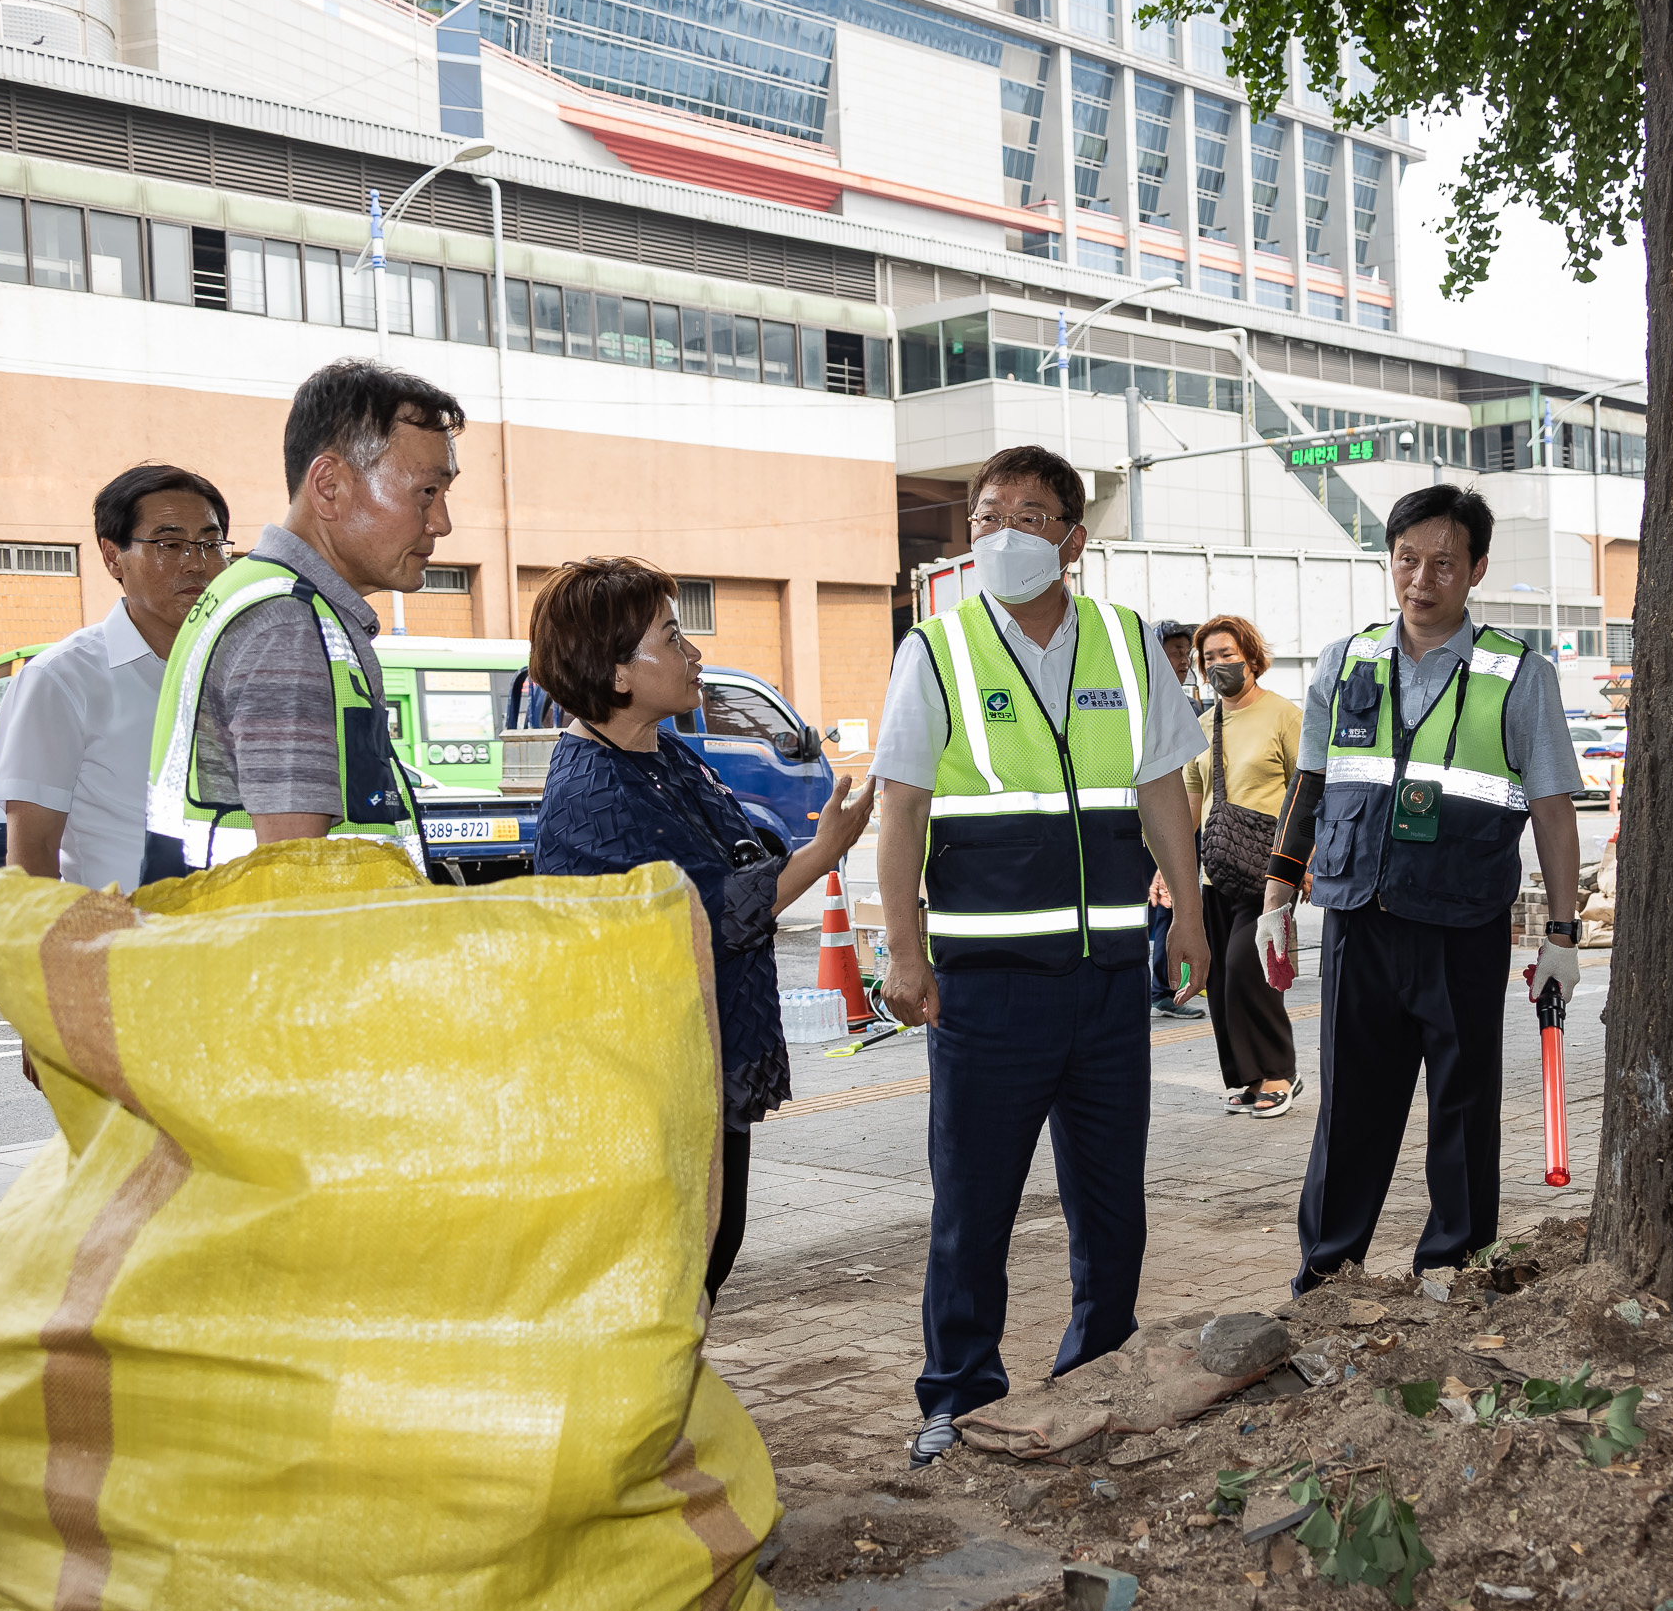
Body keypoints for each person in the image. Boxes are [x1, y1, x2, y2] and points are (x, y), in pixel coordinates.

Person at [873, 444, 1210, 1468]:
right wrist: (902, 949)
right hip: (984, 987)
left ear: (1072, 536)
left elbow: (1163, 792)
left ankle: (1099, 1370)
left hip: (1109, 976)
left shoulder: (1121, 640)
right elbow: (902, 806)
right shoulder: (938, 648)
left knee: (1111, 1200)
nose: (1002, 531)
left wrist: (1189, 917)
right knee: (973, 1202)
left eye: (1027, 513)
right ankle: (958, 1393)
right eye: (984, 515)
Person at [1257, 487, 1583, 1293]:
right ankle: (1328, 1273)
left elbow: (1551, 805)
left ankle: (1454, 1263)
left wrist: (1564, 934)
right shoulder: (1347, 659)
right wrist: (1276, 894)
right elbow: (1311, 785)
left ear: (1475, 569)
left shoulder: (1519, 673)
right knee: (1350, 1110)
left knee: (1463, 1105)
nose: (1422, 578)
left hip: (1463, 920)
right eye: (1407, 558)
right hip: (1359, 916)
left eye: (1444, 562)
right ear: (1389, 561)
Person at [528, 557, 875, 1302]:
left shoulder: (663, 755)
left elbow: (738, 863)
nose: (695, 654)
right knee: (668, 1277)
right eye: (672, 637)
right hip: (650, 1080)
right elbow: (712, 908)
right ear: (617, 672)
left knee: (706, 1256)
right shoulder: (596, 794)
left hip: (706, 1059)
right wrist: (823, 853)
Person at [145, 361, 463, 881]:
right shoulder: (287, 626)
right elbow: (294, 880)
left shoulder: (264, 596)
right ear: (329, 485)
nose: (441, 522)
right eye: (427, 492)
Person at [0, 465, 231, 893]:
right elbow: (33, 847)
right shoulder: (63, 679)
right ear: (112, 557)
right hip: (127, 946)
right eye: (169, 543)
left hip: (248, 940)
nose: (197, 565)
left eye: (211, 544)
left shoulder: (244, 667)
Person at [1183, 614, 1303, 1117]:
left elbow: (1307, 788)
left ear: (1251, 657)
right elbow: (1192, 793)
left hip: (1268, 867)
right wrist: (1170, 871)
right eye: (1209, 658)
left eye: (1227, 654)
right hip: (1216, 868)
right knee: (1222, 980)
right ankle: (1248, 1078)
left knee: (1246, 968)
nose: (1218, 665)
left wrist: (1308, 860)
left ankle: (1281, 1072)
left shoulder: (1282, 715)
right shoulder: (1201, 722)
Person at [1148, 619, 1208, 1017]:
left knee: (1171, 907)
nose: (1184, 660)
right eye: (1174, 652)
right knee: (1161, 907)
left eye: (1187, 652)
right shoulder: (1146, 702)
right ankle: (1163, 990)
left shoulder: (1192, 704)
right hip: (1154, 825)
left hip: (1188, 820)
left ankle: (1171, 987)